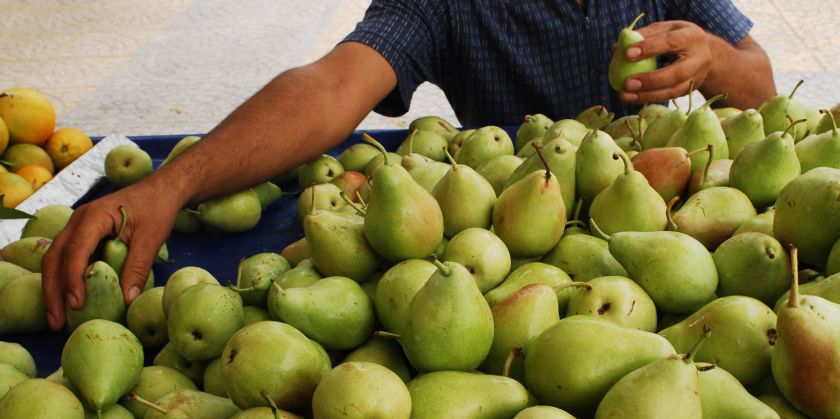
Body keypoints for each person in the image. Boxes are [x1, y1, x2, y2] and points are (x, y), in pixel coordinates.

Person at [42, 0, 775, 331]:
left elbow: (761, 84)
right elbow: (333, 84)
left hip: (664, 216)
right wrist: (175, 179)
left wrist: (712, 62)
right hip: (497, 232)